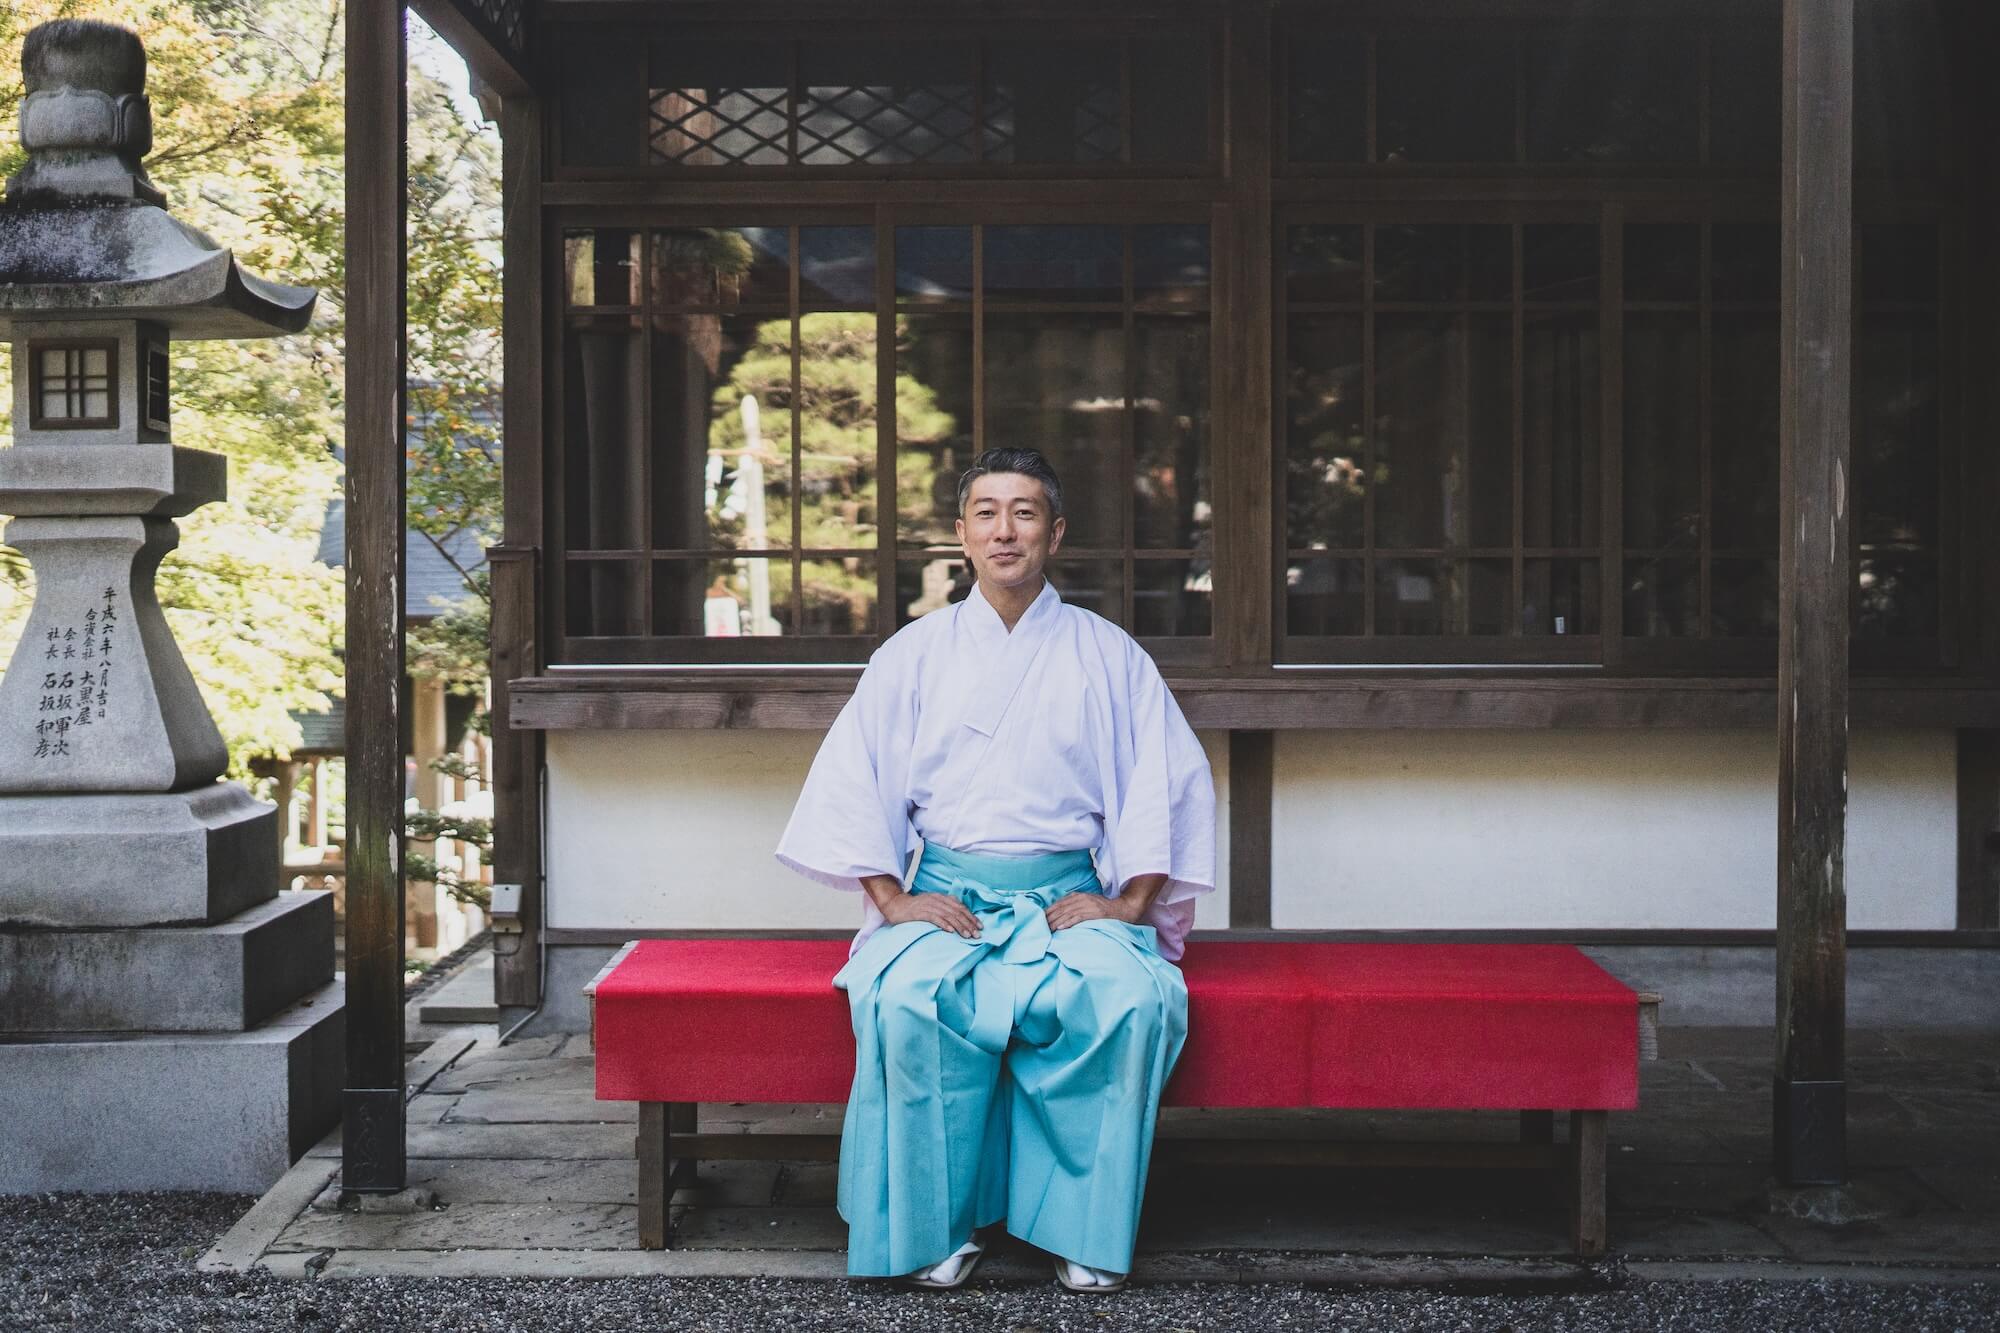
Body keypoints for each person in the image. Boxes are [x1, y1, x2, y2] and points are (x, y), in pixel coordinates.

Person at [775, 447, 1216, 1292]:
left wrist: (1126, 902)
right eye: (986, 511)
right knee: (905, 1001)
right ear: (961, 535)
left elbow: (1163, 782)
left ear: (1054, 533)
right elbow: (854, 777)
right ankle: (930, 1230)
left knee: (1128, 998)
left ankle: (1083, 1229)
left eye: (1023, 512)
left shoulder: (1109, 654)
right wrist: (895, 896)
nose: (1003, 529)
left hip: (1064, 898)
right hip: (952, 897)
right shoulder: (913, 653)